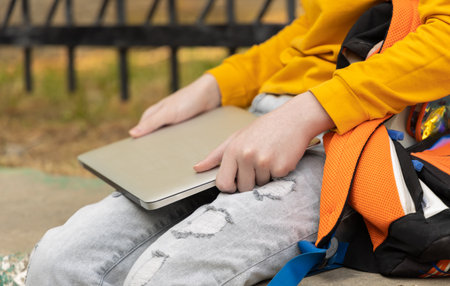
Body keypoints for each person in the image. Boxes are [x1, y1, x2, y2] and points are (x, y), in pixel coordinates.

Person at [26, 0, 449, 285]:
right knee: (58, 263)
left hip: (353, 137)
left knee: (164, 277)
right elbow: (314, 33)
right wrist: (216, 84)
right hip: (260, 120)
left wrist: (310, 111)